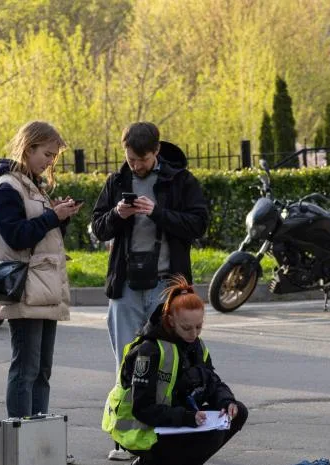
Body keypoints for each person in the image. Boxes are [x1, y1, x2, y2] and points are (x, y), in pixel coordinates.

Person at [90, 122, 209, 460]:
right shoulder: (117, 181)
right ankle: (127, 441)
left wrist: (157, 212)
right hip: (126, 284)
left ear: (156, 151)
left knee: (168, 364)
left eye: (141, 160)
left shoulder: (180, 180)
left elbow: (198, 224)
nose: (136, 166)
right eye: (130, 159)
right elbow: (98, 227)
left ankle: (167, 439)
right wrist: (118, 214)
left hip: (165, 285)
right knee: (126, 364)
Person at [0, 121, 83, 419]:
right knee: (26, 369)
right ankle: (21, 436)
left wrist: (60, 217)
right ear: (28, 148)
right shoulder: (7, 187)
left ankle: (41, 434)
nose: (50, 162)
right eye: (47, 154)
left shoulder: (33, 185)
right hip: (26, 287)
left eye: (54, 156)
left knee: (42, 370)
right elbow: (16, 237)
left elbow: (43, 238)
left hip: (45, 287)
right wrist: (52, 217)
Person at [102, 275, 247, 465]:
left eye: (198, 327)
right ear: (170, 321)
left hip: (174, 421)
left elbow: (212, 381)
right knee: (209, 437)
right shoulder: (150, 350)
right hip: (141, 430)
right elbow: (142, 408)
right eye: (186, 328)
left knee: (237, 413)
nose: (193, 334)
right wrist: (187, 418)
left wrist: (226, 402)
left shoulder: (196, 345)